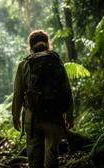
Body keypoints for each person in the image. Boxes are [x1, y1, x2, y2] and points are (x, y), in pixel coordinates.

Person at [12, 30, 74, 168]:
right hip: (55, 117)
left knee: (34, 158)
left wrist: (15, 116)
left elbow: (18, 94)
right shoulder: (56, 61)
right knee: (51, 154)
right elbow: (66, 89)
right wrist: (70, 114)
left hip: (32, 117)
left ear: (30, 46)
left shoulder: (24, 64)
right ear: (48, 43)